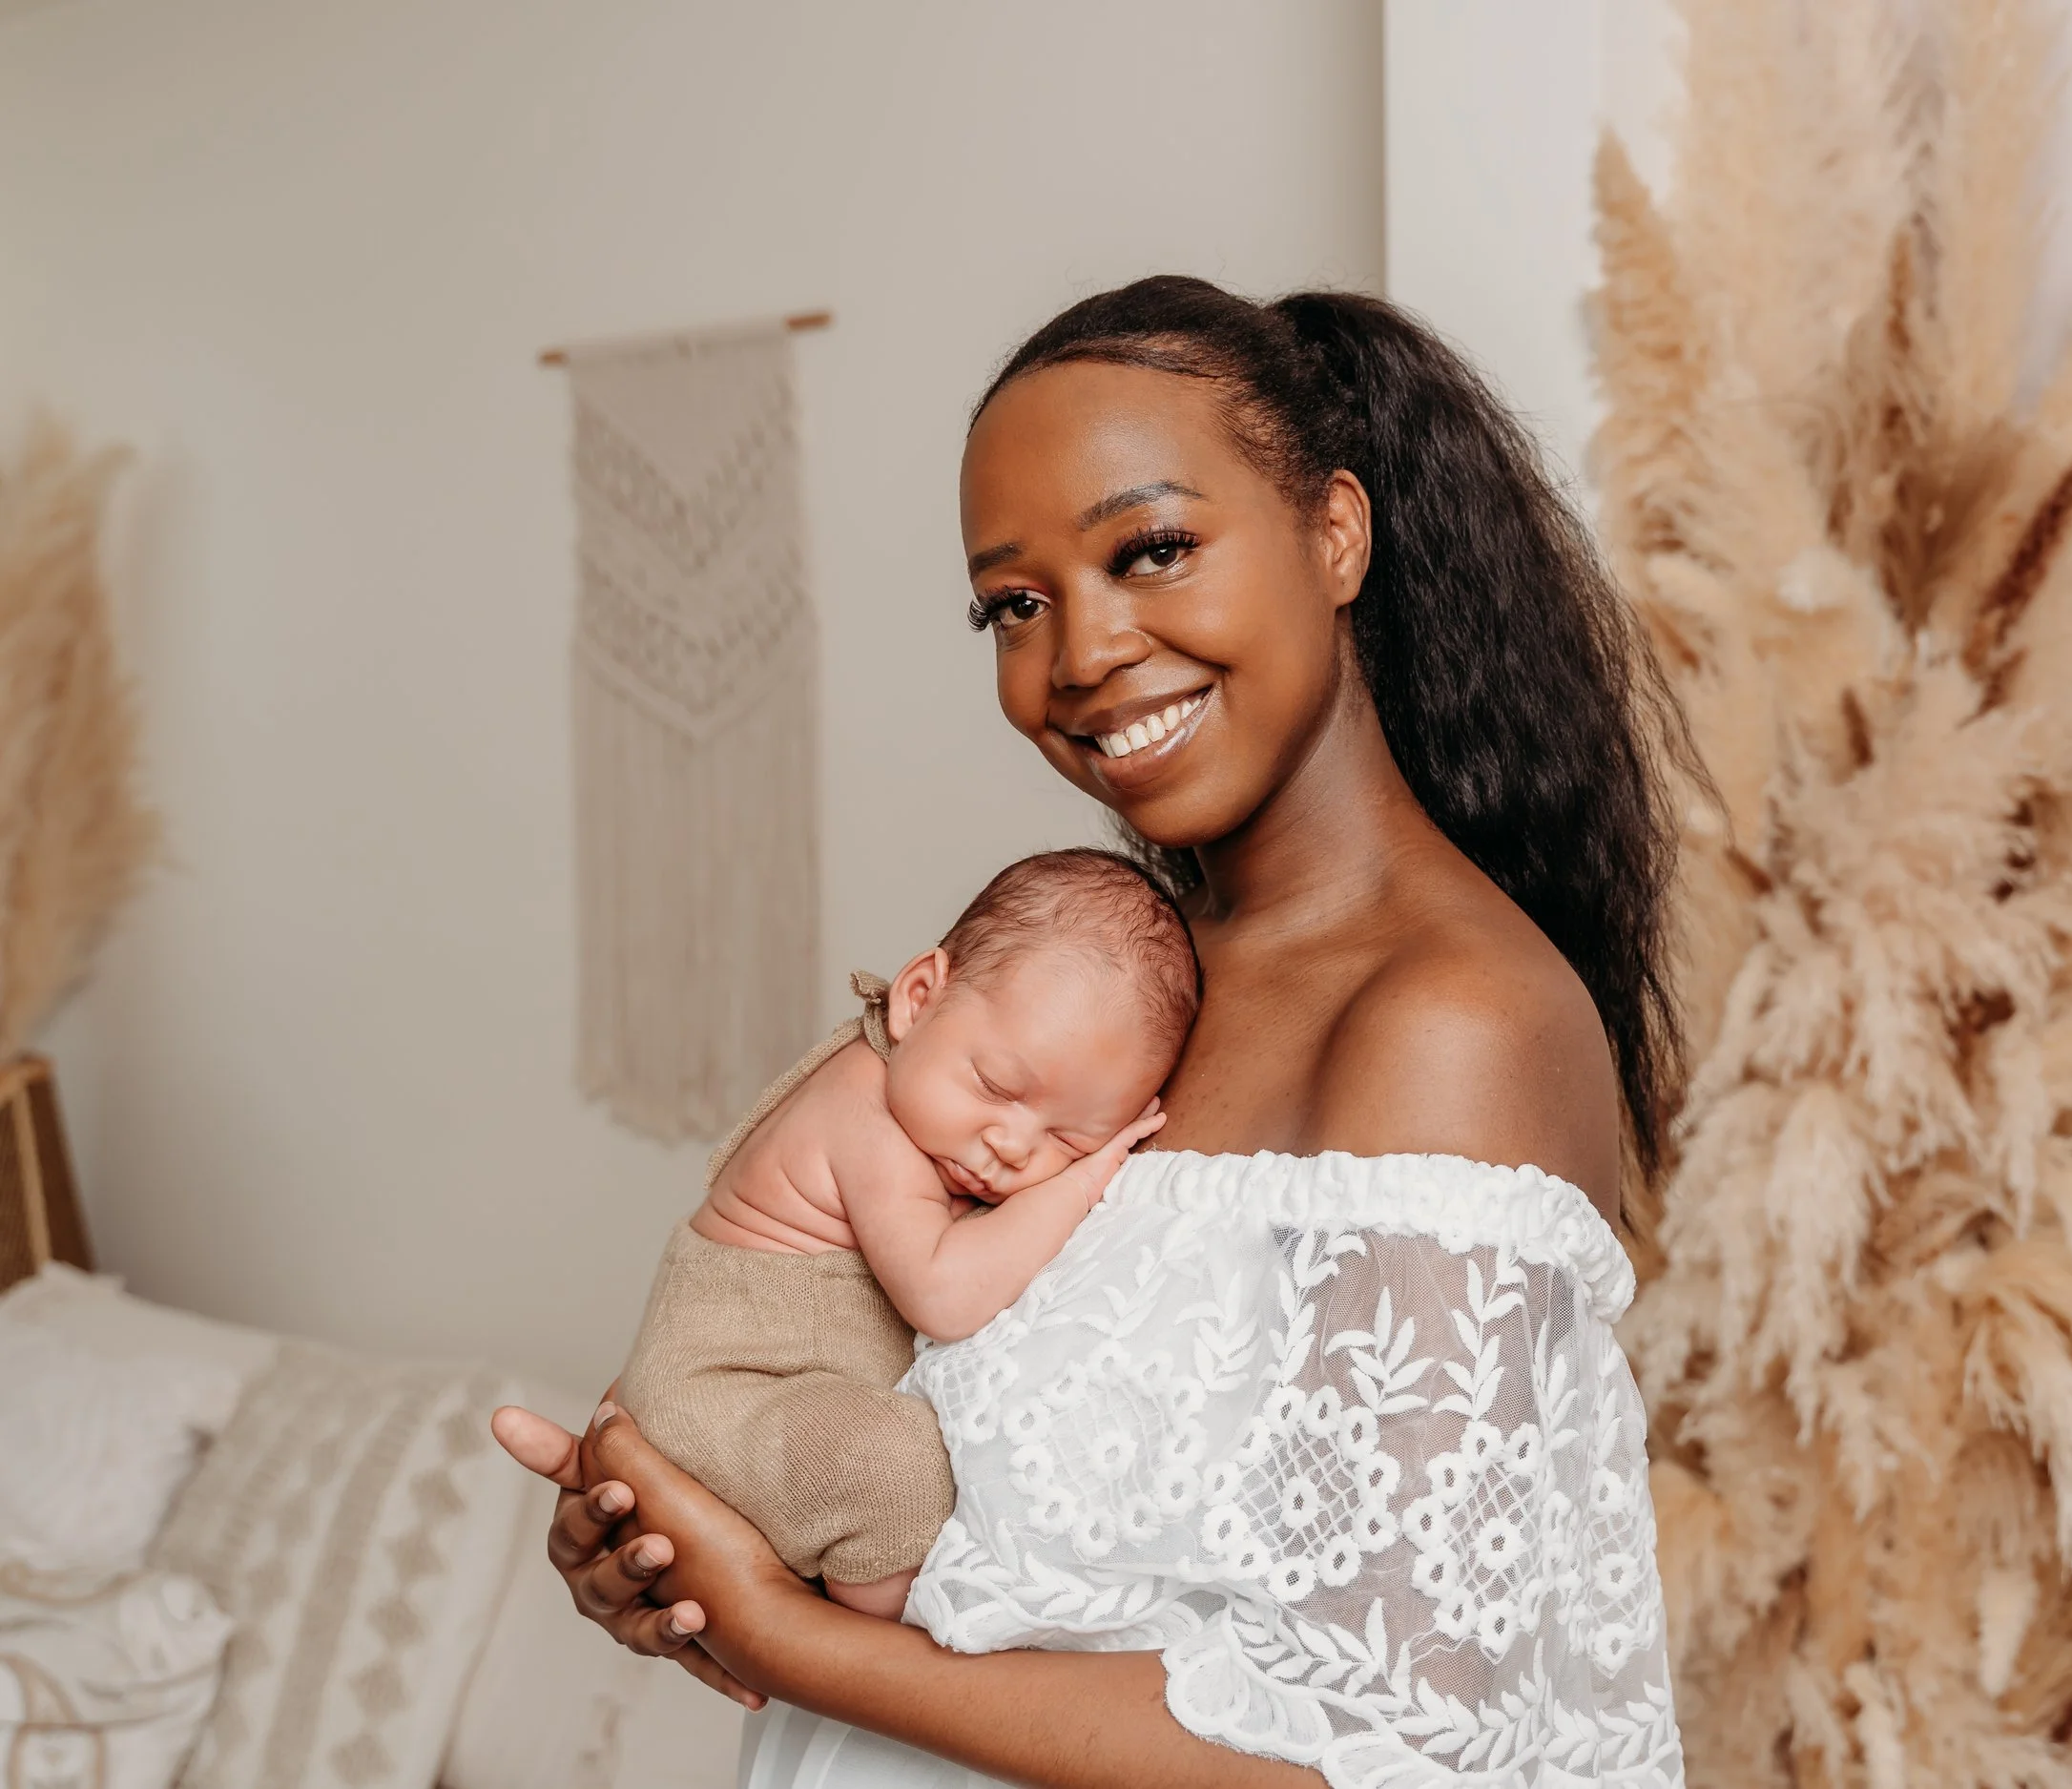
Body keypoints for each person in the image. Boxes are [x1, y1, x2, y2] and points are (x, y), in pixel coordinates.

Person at [495, 276, 1691, 1789]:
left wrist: (795, 1640)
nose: (1080, 654)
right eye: (1016, 603)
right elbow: (974, 1500)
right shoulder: (1111, 1004)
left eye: (1155, 549)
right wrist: (686, 1539)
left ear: (1337, 533)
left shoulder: (1450, 1022)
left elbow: (1382, 1747)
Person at [615, 848, 1194, 1621]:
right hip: (722, 1390)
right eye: (995, 1086)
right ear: (917, 1000)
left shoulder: (934, 1114)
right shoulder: (865, 1110)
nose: (1014, 1147)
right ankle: (880, 1643)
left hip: (779, 1397)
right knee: (897, 1470)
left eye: (1073, 1136)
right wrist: (1083, 1180)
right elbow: (947, 1294)